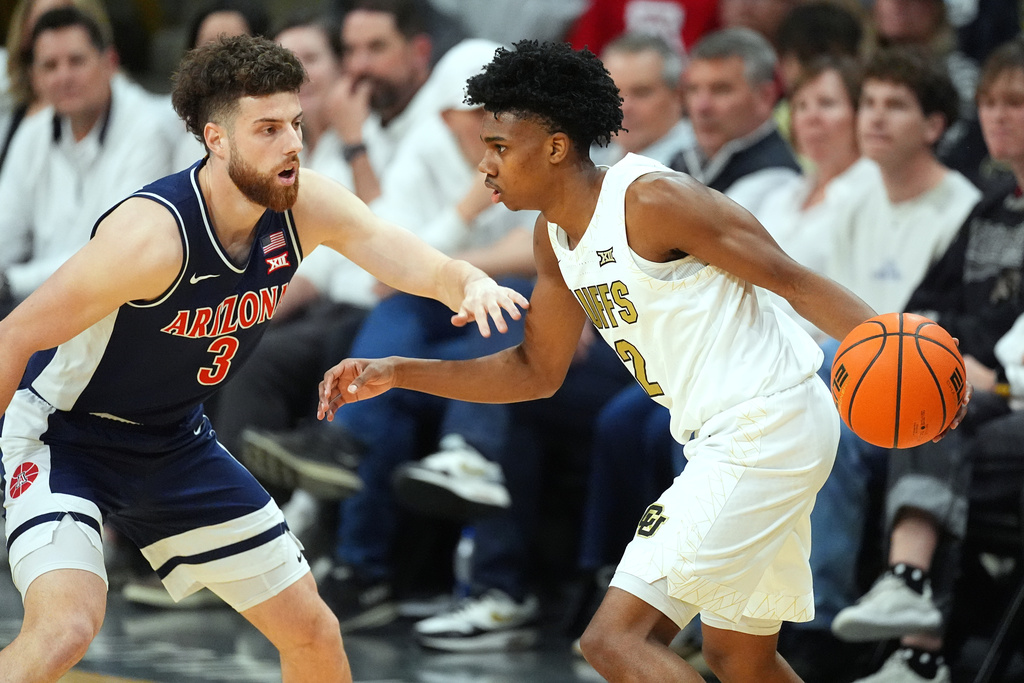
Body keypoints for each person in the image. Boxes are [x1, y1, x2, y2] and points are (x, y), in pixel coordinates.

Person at [317, 40, 965, 683]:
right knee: (741, 658)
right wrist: (400, 371)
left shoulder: (653, 200)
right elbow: (534, 371)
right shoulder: (554, 235)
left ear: (554, 147)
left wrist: (905, 361)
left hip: (763, 427)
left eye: (498, 148)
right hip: (742, 432)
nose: (485, 167)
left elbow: (790, 279)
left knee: (614, 640)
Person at [0, 33, 526, 683]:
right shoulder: (152, 237)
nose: (293, 145)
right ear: (216, 138)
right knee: (66, 629)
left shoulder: (304, 204)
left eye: (297, 125)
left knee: (313, 630)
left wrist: (467, 282)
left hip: (174, 442)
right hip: (65, 437)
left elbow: (399, 250)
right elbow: (13, 336)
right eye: (269, 128)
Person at [829, 37, 1024, 683]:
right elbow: (919, 308)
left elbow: (999, 328)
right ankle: (910, 629)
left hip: (1011, 396)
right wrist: (960, 343)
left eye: (1016, 103)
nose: (998, 117)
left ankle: (915, 634)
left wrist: (970, 348)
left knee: (932, 403)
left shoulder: (965, 199)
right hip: (980, 386)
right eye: (991, 103)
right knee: (929, 392)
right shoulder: (994, 206)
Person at [0, 7, 173, 318]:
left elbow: (109, 254)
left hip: (113, 312)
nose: (63, 76)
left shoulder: (148, 130)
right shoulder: (33, 132)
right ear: (36, 77)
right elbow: (5, 234)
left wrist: (11, 281)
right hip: (35, 304)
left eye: (76, 61)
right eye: (50, 66)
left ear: (110, 62)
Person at [671, 27, 801, 215]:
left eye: (721, 90)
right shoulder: (683, 159)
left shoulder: (776, 177)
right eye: (693, 89)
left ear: (765, 96)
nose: (702, 106)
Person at [591, 32, 694, 167]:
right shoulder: (592, 160)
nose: (624, 107)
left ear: (678, 96)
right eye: (613, 93)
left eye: (641, 93)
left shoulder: (698, 164)